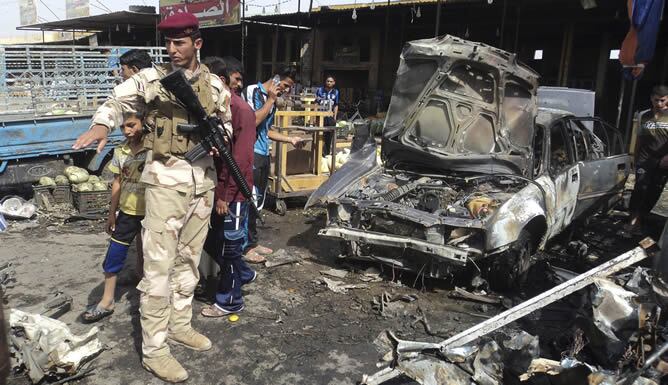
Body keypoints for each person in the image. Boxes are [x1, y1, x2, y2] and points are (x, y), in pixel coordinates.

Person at [73, 12, 231, 383]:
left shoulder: (215, 85)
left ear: (198, 43)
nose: (172, 49)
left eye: (180, 42)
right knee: (159, 267)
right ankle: (155, 349)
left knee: (189, 260)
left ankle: (180, 324)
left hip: (201, 181)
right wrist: (101, 123)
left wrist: (219, 136)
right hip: (164, 181)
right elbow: (116, 103)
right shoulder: (152, 79)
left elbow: (225, 120)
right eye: (169, 43)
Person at [200, 56, 257, 316]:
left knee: (231, 247)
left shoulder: (241, 110)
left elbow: (240, 161)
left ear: (220, 82)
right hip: (216, 189)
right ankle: (243, 273)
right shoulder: (215, 109)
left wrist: (225, 195)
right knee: (212, 241)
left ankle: (230, 301)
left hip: (233, 194)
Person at [82, 110, 148, 323]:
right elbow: (117, 182)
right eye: (123, 127)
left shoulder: (155, 149)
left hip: (152, 211)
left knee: (151, 255)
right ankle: (107, 301)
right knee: (115, 253)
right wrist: (112, 213)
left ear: (143, 123)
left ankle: (150, 298)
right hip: (128, 212)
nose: (127, 131)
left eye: (131, 125)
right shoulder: (120, 151)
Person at [242, 66, 304, 263]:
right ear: (276, 79)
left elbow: (265, 130)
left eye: (289, 88)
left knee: (257, 200)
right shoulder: (252, 92)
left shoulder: (273, 102)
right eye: (285, 85)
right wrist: (270, 99)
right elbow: (253, 122)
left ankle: (252, 241)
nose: (286, 90)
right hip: (250, 152)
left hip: (263, 153)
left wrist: (289, 139)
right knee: (247, 200)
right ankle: (244, 247)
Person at [630, 85, 668, 229]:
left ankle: (643, 217)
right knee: (640, 187)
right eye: (656, 100)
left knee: (654, 191)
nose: (659, 104)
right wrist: (634, 157)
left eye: (662, 100)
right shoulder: (644, 115)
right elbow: (639, 138)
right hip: (645, 159)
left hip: (663, 161)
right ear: (651, 99)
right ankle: (633, 219)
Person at [316, 75, 340, 155]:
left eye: (331, 81)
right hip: (320, 115)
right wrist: (314, 116)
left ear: (334, 83)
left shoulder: (336, 92)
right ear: (325, 82)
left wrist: (335, 117)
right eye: (328, 81)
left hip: (330, 116)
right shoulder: (319, 90)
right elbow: (316, 103)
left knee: (329, 134)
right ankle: (318, 152)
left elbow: (336, 105)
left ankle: (326, 152)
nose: (329, 83)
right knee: (319, 134)